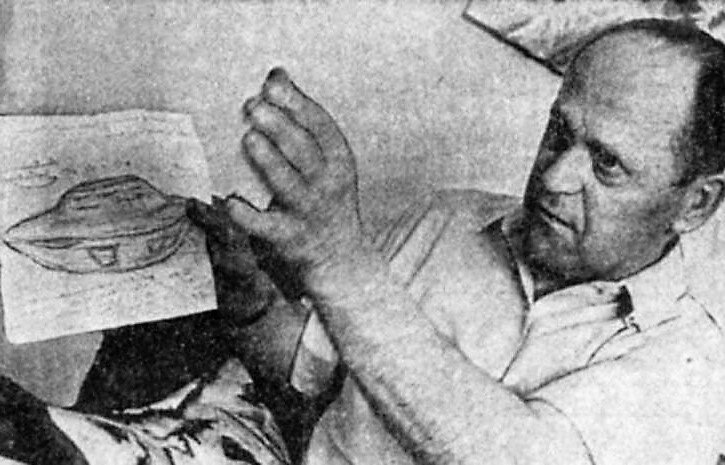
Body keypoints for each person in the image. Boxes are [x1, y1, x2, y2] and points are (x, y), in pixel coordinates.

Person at [189, 18, 725, 464]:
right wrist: (248, 298)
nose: (555, 176)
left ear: (695, 204)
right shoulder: (447, 218)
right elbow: (307, 373)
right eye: (559, 133)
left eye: (607, 163)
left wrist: (339, 265)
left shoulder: (693, 368)